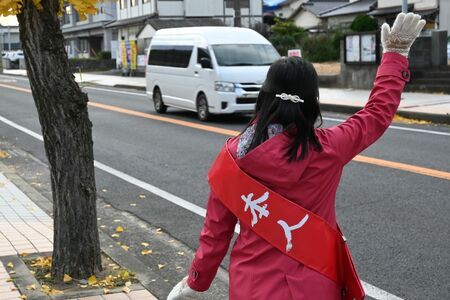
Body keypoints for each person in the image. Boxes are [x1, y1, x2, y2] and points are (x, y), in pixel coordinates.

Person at [167, 13, 425, 300]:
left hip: (252, 288)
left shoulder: (233, 158)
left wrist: (197, 281)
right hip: (316, 286)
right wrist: (395, 55)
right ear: (313, 103)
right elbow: (377, 113)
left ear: (263, 97)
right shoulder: (329, 148)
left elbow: (216, 232)